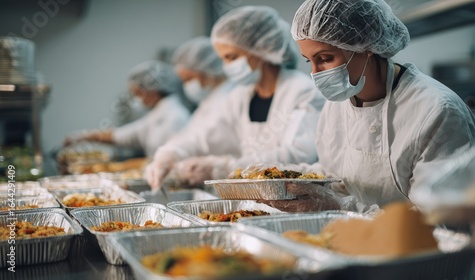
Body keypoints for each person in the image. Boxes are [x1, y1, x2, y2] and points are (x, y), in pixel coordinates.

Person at [263, 0, 475, 213]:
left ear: (365, 46)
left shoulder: (437, 111)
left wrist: (339, 206)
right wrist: (281, 178)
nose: (316, 73)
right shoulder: (338, 103)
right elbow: (334, 175)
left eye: (325, 58)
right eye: (309, 61)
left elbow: (436, 218)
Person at [145, 6, 325, 189]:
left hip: (293, 198)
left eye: (232, 57)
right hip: (252, 197)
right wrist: (171, 152)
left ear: (262, 48)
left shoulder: (302, 90)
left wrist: (228, 166)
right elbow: (206, 136)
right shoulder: (240, 96)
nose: (226, 67)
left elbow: (299, 154)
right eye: (223, 59)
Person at [64, 60, 191, 157]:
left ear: (152, 90)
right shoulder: (156, 115)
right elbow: (121, 135)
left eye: (137, 93)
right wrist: (83, 136)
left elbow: (177, 157)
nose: (135, 99)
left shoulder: (176, 116)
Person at [172, 36, 234, 133]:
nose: (187, 85)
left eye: (189, 79)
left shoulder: (229, 99)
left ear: (207, 72)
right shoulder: (208, 100)